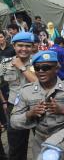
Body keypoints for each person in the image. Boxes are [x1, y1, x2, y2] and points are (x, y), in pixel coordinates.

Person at [10, 50, 64, 157]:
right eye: (37, 68)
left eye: (46, 67)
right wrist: (30, 114)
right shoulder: (26, 91)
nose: (41, 71)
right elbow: (14, 121)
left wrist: (63, 111)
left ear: (56, 68)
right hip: (41, 144)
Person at [0, 32, 37, 160]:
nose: (24, 49)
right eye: (20, 45)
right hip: (15, 108)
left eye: (28, 46)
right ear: (14, 46)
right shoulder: (5, 64)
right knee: (16, 147)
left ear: (33, 47)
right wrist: (3, 102)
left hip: (37, 106)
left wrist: (22, 67)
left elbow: (40, 83)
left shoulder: (38, 61)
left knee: (43, 143)